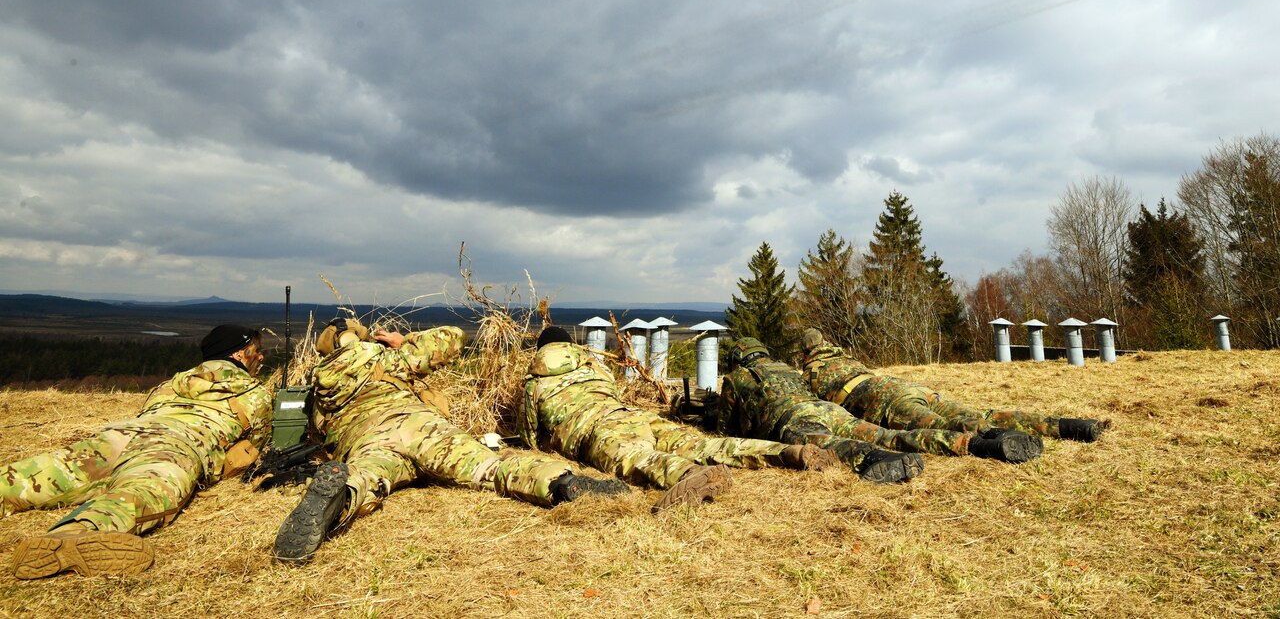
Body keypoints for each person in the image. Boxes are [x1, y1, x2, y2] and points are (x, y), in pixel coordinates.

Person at [274, 318, 629, 565]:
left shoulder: (320, 386)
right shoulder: (386, 358)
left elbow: (323, 430)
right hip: (418, 427)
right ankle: (563, 483)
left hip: (368, 439)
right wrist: (403, 342)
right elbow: (454, 338)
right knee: (491, 467)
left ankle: (341, 496)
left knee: (368, 477)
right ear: (361, 339)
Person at [2, 324, 273, 579]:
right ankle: (76, 533)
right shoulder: (255, 394)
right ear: (239, 353)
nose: (261, 358)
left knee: (34, 476)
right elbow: (258, 443)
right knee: (144, 491)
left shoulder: (170, 383)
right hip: (176, 446)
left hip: (119, 435)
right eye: (256, 352)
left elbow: (147, 411)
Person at [519, 326, 840, 511]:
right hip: (632, 415)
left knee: (641, 458)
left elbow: (530, 436)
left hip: (596, 430)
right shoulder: (595, 366)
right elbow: (612, 397)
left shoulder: (536, 382)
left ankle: (693, 475)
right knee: (703, 443)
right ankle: (788, 453)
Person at [716, 338, 1041, 477]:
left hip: (796, 421)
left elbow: (723, 426)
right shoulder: (786, 369)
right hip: (828, 409)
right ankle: (979, 445)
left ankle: (877, 461)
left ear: (737, 360)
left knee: (830, 445)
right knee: (887, 435)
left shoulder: (736, 378)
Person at [798, 328, 1107, 443]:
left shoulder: (811, 374)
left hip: (887, 403)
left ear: (804, 352)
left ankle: (1002, 442)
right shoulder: (847, 357)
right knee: (983, 413)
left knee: (950, 426)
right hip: (908, 387)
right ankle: (1070, 427)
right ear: (826, 343)